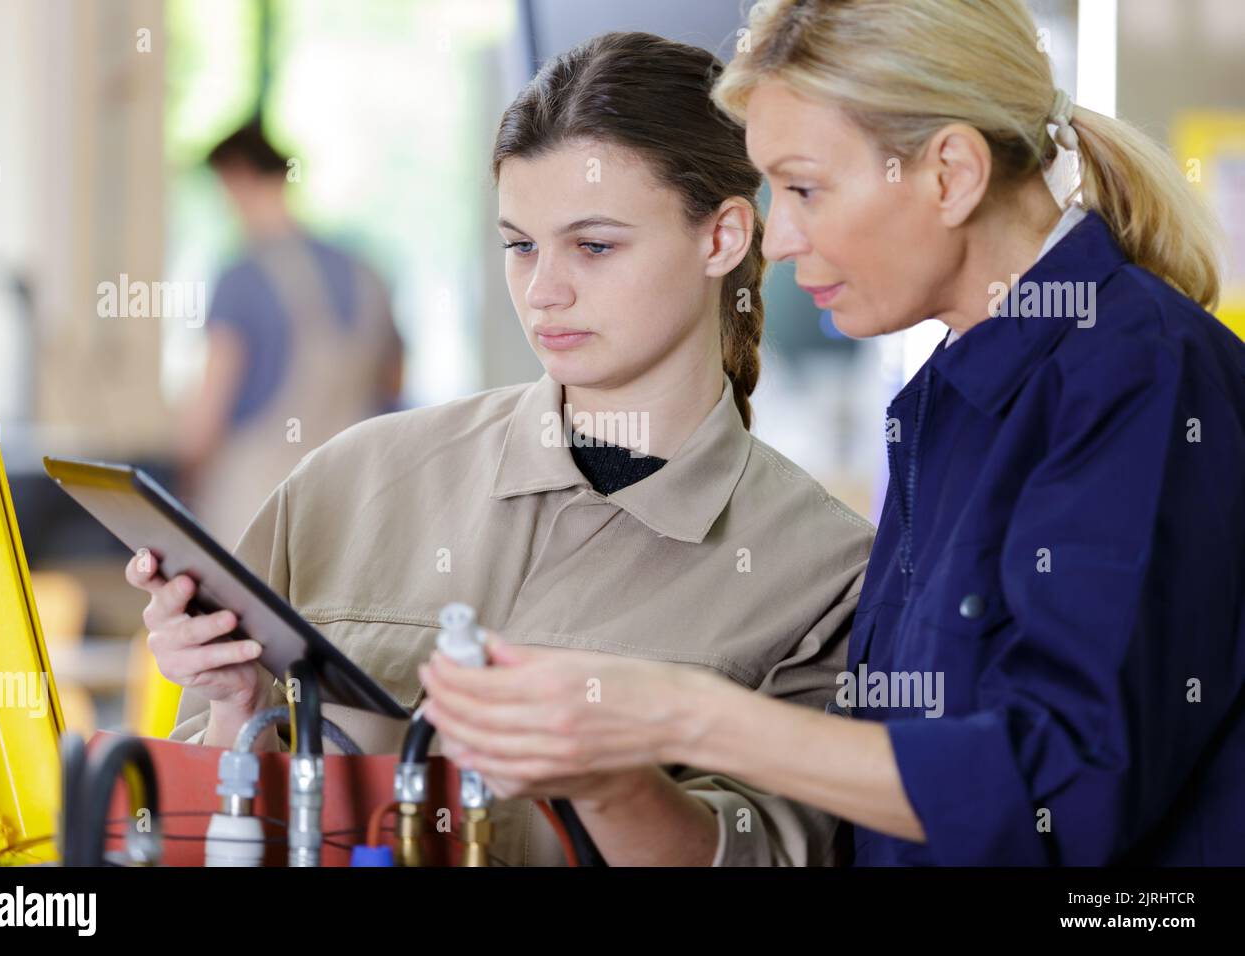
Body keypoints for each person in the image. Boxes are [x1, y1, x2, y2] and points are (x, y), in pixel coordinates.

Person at [419, 0, 1245, 866]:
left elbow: (1064, 792)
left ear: (950, 173)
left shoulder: (1140, 378)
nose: (778, 238)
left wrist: (685, 713)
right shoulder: (952, 403)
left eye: (807, 187)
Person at [126, 32, 875, 867]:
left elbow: (764, 857)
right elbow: (198, 828)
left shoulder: (826, 573)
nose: (543, 291)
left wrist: (613, 780)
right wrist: (233, 707)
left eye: (594, 246)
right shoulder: (347, 481)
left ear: (723, 239)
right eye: (520, 246)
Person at [179, 120, 404, 547]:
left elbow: (208, 409)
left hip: (255, 505)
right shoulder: (364, 270)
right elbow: (393, 381)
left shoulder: (240, 277)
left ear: (237, 176)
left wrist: (184, 475)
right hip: (350, 499)